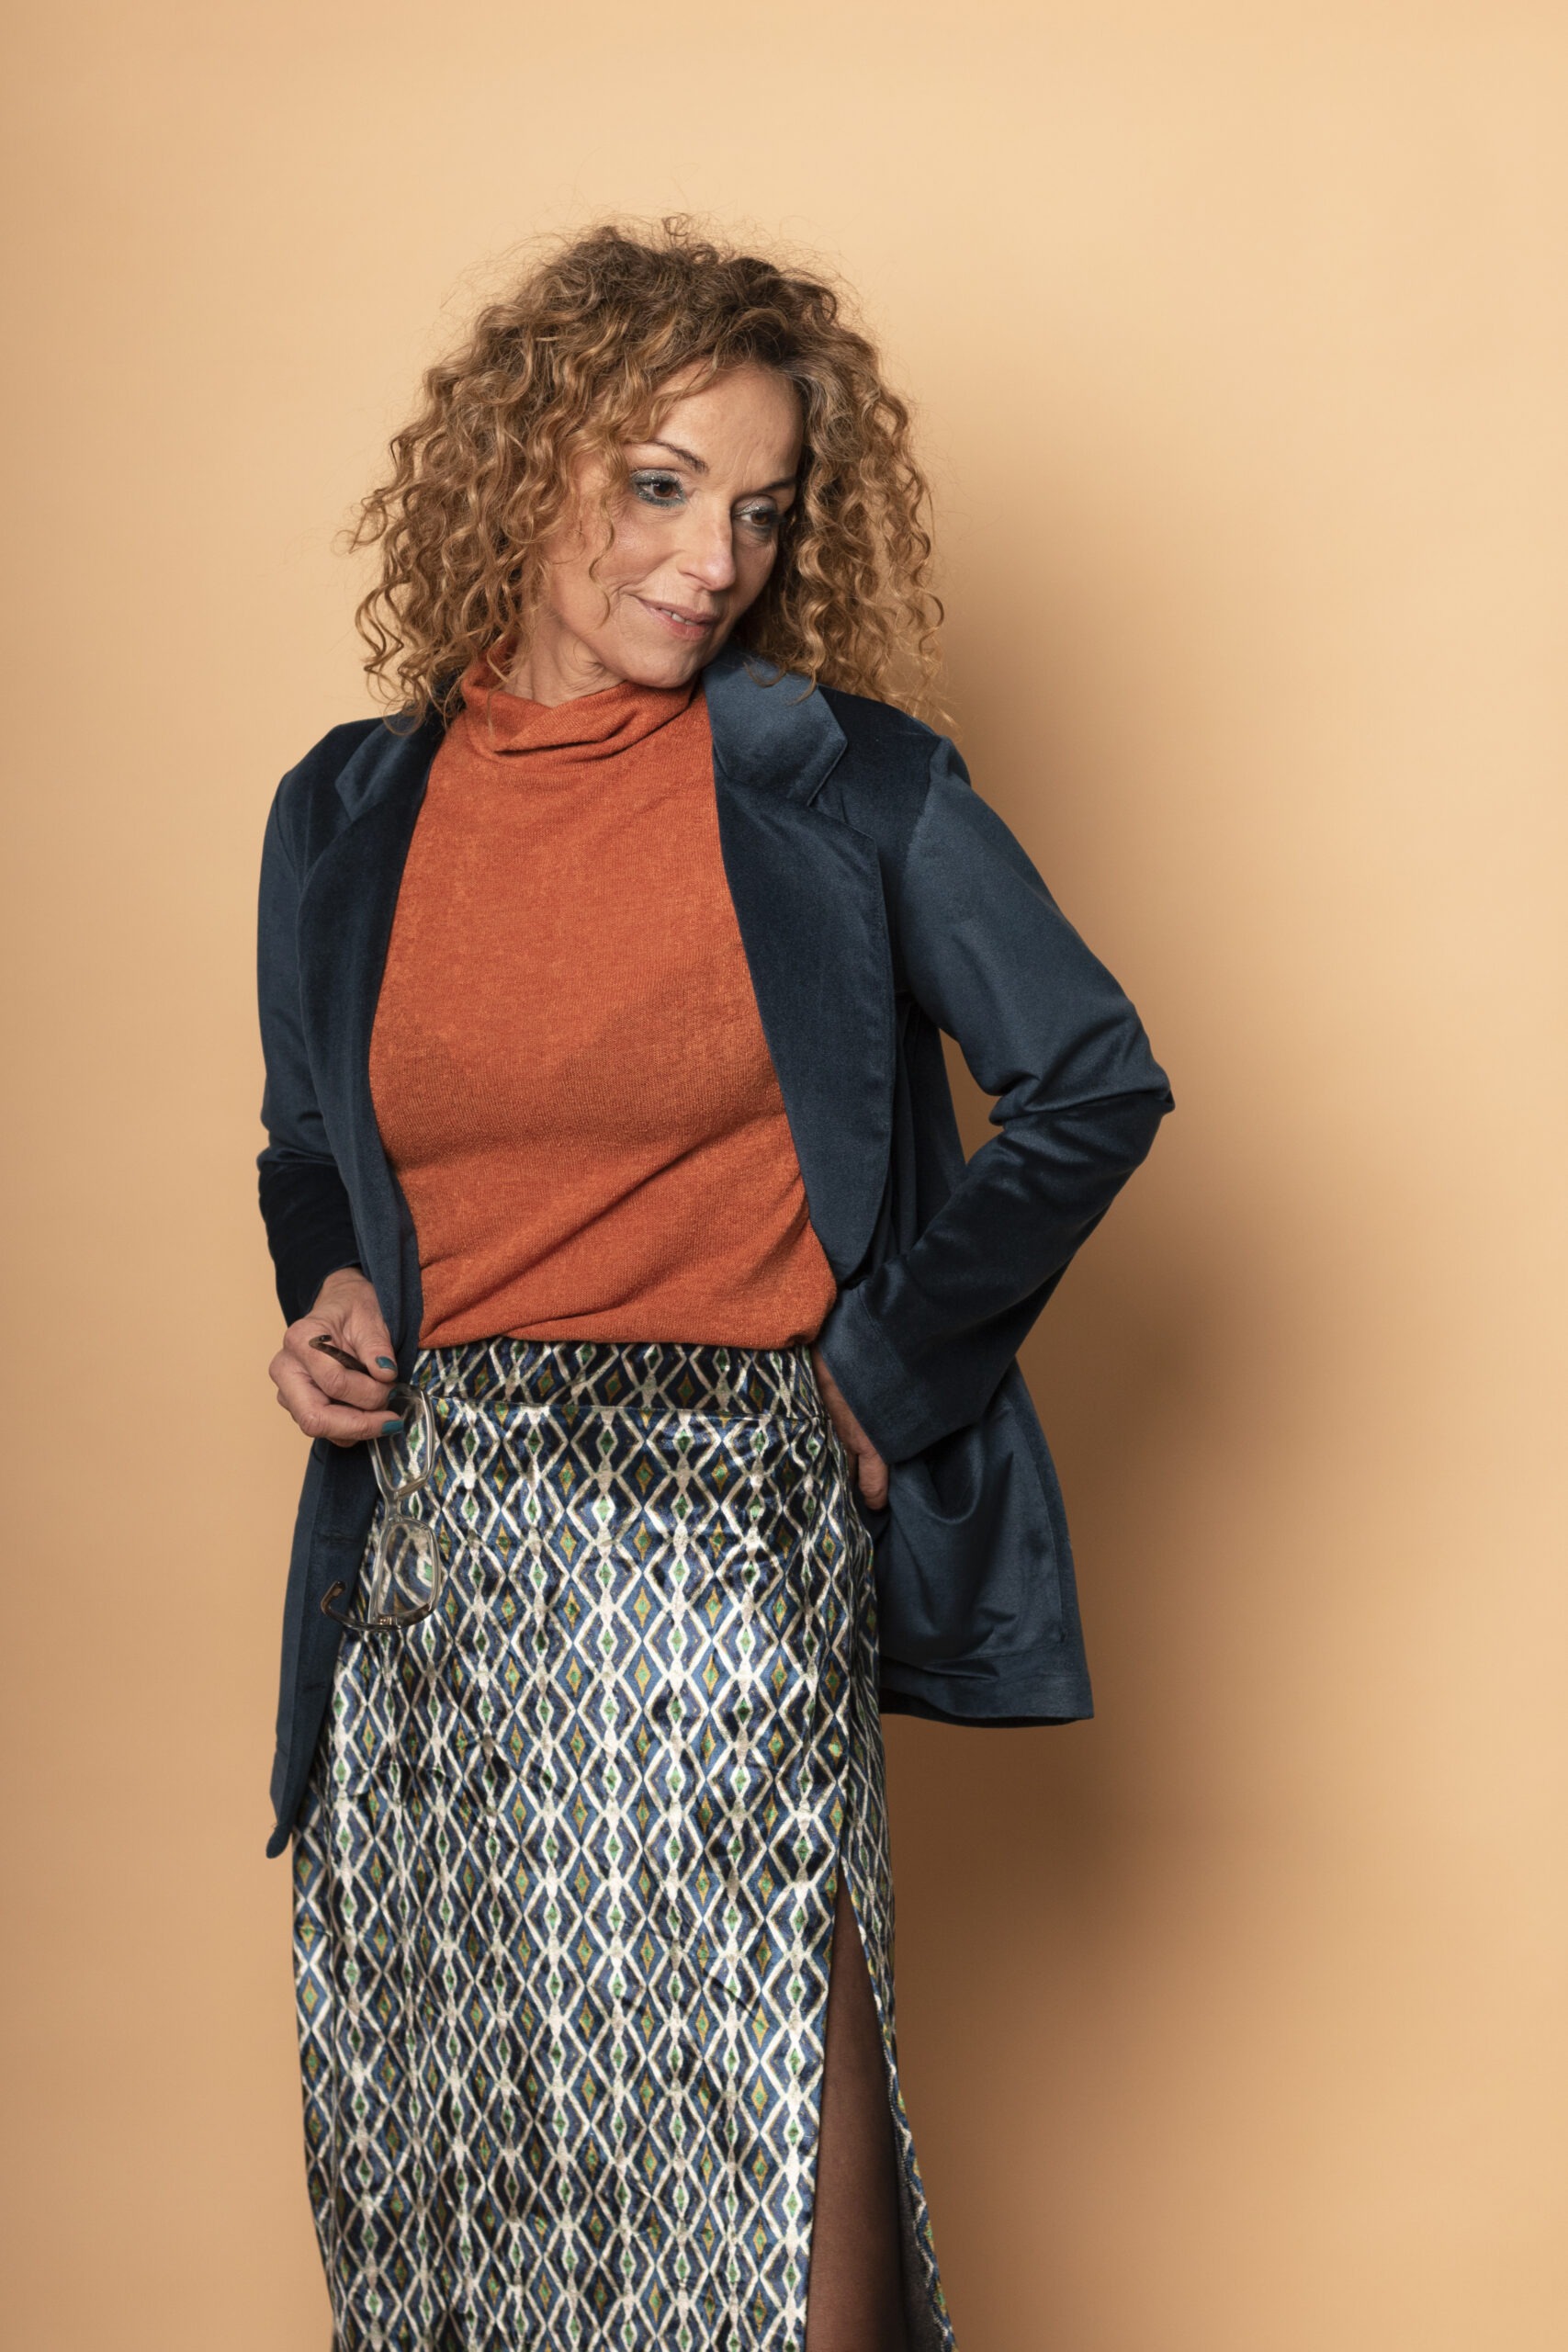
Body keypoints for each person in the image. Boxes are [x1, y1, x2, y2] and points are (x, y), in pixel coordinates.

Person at [255, 218, 1172, 2352]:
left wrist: (882, 1366)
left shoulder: (847, 786)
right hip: (427, 1572)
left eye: (759, 509)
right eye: (660, 486)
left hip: (719, 1534)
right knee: (464, 2206)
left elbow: (1090, 1080)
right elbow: (308, 1139)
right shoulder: (345, 812)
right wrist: (329, 1287)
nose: (710, 561)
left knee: (765, 2173)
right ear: (521, 466)